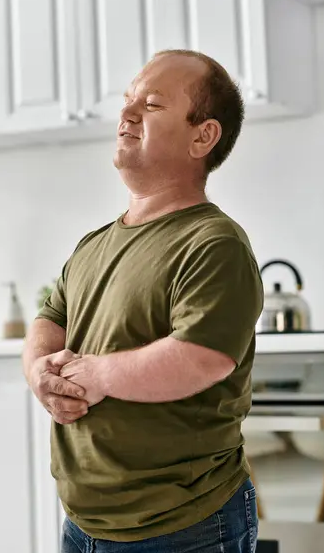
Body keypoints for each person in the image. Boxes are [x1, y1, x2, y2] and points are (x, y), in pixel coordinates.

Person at [23, 49, 264, 553]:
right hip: (83, 523)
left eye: (151, 105)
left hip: (183, 526)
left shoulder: (213, 242)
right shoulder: (93, 244)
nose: (126, 114)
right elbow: (50, 319)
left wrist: (95, 374)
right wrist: (40, 372)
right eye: (127, 100)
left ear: (204, 136)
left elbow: (201, 358)